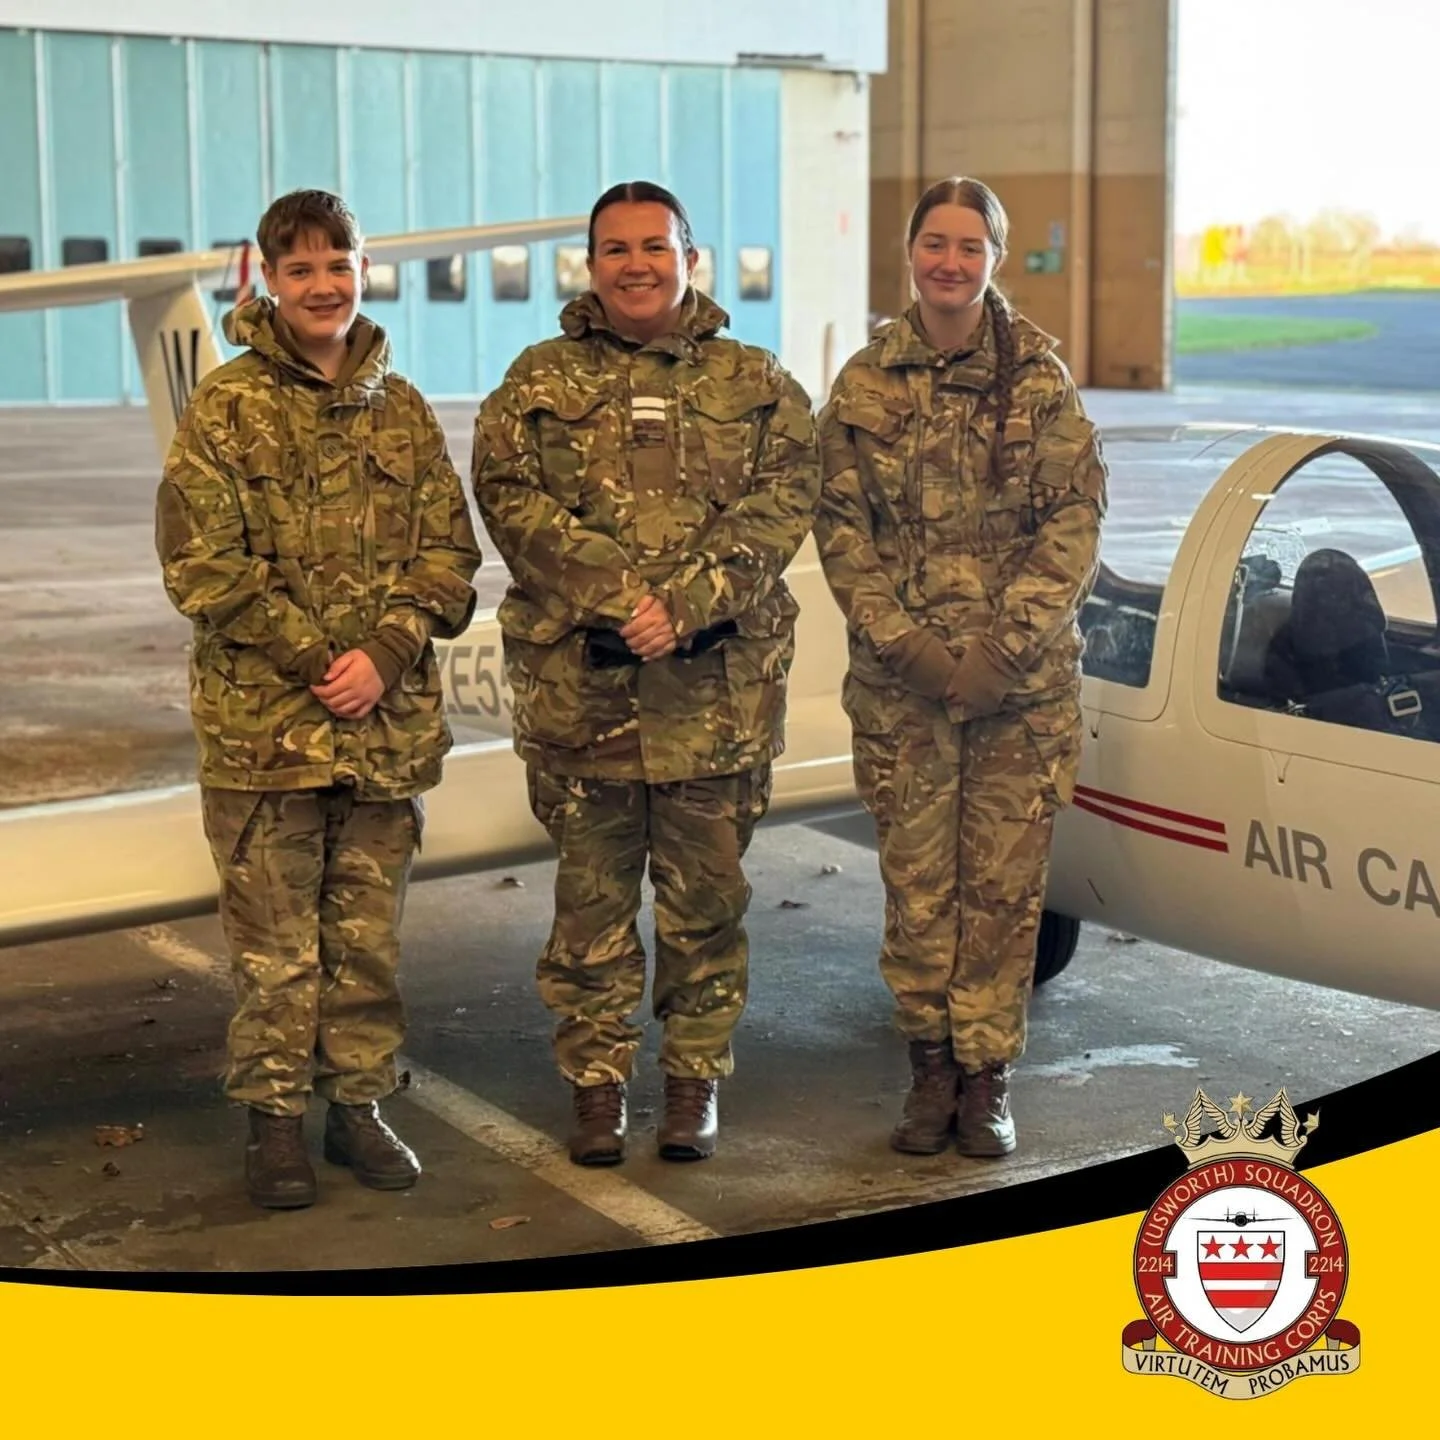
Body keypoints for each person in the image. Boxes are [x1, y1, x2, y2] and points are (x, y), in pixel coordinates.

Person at [471, 181, 820, 1166]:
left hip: (715, 703)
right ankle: (597, 1086)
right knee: (590, 915)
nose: (637, 265)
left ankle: (692, 1084)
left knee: (706, 910)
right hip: (584, 700)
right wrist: (624, 599)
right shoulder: (535, 382)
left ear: (690, 258)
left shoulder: (757, 383)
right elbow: (511, 499)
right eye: (616, 249)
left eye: (655, 248)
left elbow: (783, 497)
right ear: (591, 265)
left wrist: (693, 602)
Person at [155, 189, 482, 1208]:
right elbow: (201, 565)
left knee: (365, 942)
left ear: (364, 269)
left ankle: (360, 1108)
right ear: (269, 280)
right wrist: (313, 659)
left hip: (384, 732)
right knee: (273, 951)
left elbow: (451, 555)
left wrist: (385, 654)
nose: (322, 285)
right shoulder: (226, 408)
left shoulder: (405, 408)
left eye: (337, 264)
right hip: (268, 735)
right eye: (299, 269)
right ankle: (275, 1124)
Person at [815, 176, 1106, 1158]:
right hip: (905, 694)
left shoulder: (1041, 382)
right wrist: (917, 649)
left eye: (969, 247)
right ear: (911, 254)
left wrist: (998, 651)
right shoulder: (864, 385)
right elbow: (841, 534)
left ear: (994, 259)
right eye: (934, 243)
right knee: (920, 888)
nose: (950, 262)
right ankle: (928, 1070)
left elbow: (1071, 527)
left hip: (1017, 698)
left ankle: (987, 1078)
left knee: (1003, 890)